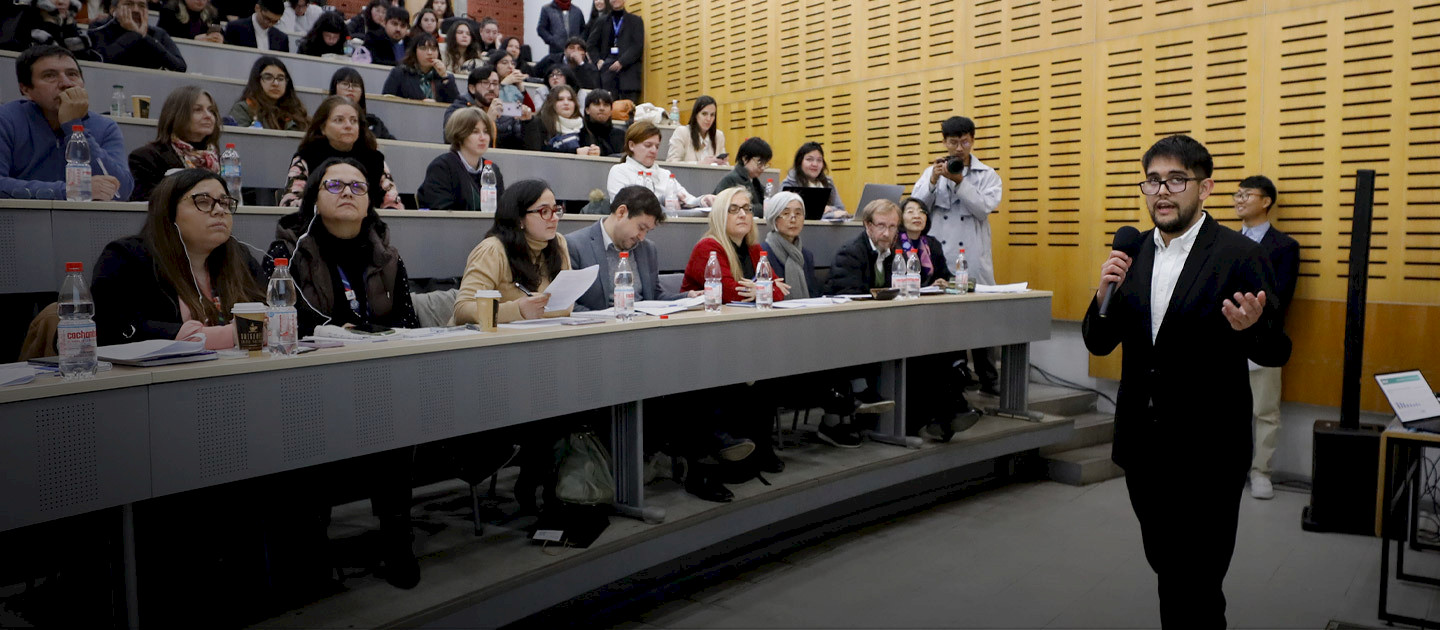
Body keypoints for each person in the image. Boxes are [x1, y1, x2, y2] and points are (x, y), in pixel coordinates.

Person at [1082, 135, 1290, 628]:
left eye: (1177, 179)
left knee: (1196, 577)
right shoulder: (1132, 254)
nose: (1162, 191)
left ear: (1206, 188)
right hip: (1143, 444)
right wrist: (1103, 289)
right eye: (1153, 180)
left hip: (1209, 448)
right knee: (1168, 565)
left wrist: (1251, 329)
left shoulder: (1238, 254)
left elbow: (1274, 349)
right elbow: (1097, 342)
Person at [265, 158, 421, 590]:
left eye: (358, 186)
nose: (348, 192)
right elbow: (283, 318)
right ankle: (311, 543)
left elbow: (408, 321)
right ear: (314, 195)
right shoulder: (287, 249)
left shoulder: (387, 254)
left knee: (397, 418)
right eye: (335, 185)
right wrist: (332, 332)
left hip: (376, 377)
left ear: (371, 200)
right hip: (307, 383)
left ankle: (396, 537)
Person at [92, 168, 264, 348]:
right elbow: (111, 330)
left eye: (225, 203)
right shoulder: (127, 257)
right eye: (203, 202)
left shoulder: (239, 257)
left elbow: (277, 318)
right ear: (168, 210)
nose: (220, 210)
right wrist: (231, 335)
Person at [909, 115, 1003, 396]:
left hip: (972, 254)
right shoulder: (930, 172)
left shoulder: (987, 174)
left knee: (981, 317)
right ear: (944, 142)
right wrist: (935, 180)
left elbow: (983, 208)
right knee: (947, 318)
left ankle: (989, 377)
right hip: (941, 254)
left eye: (964, 141)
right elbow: (916, 209)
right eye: (953, 142)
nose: (959, 148)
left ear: (972, 140)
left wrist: (960, 181)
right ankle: (956, 376)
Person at [1233, 174, 1299, 500]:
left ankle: (1261, 472)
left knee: (1265, 410)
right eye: (1237, 194)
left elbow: (1281, 295)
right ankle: (1229, 468)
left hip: (1264, 337)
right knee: (1225, 407)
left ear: (1266, 201)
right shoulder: (1223, 242)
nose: (1239, 199)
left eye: (1246, 194)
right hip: (1225, 338)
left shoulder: (1285, 246)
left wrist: (1250, 313)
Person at [0, 45, 132, 200]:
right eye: (50, 76)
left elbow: (120, 191)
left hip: (81, 221)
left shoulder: (105, 127)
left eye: (73, 74)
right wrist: (69, 191)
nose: (66, 83)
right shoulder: (6, 119)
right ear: (26, 89)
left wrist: (75, 127)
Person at [452, 179, 574, 324]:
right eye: (545, 211)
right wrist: (517, 310)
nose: (554, 218)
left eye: (556, 210)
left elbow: (567, 306)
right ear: (519, 219)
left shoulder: (558, 243)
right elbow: (462, 310)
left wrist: (537, 310)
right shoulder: (492, 250)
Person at [568, 184, 695, 311]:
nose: (642, 237)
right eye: (641, 228)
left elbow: (655, 297)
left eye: (647, 231)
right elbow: (568, 305)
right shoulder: (575, 246)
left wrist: (687, 297)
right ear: (621, 212)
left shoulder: (647, 249)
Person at [280, 96, 401, 209]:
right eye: (339, 120)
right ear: (323, 127)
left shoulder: (374, 159)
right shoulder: (307, 156)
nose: (348, 126)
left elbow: (392, 202)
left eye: (353, 121)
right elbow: (290, 203)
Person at [681, 186, 786, 304]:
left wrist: (759, 290)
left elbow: (781, 290)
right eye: (734, 209)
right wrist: (764, 290)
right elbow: (728, 294)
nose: (742, 214)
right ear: (720, 215)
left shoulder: (753, 248)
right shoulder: (707, 248)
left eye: (747, 209)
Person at [128, 86, 222, 201]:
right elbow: (151, 204)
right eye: (198, 110)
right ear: (177, 114)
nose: (208, 116)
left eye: (211, 110)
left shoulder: (218, 159)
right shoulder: (146, 157)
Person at [607, 121, 715, 208]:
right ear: (631, 145)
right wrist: (662, 200)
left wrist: (702, 200)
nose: (654, 150)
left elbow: (687, 199)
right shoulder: (619, 171)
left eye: (657, 146)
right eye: (648, 145)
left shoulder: (665, 175)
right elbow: (622, 206)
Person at [417, 106, 505, 210]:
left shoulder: (493, 169)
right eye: (475, 132)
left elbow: (503, 211)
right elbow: (441, 213)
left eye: (486, 132)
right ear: (459, 134)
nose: (483, 138)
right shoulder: (441, 168)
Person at [446, 65, 531, 150]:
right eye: (485, 83)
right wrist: (487, 120)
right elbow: (452, 141)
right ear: (472, 88)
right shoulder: (457, 109)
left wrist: (527, 123)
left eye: (495, 83)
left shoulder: (505, 110)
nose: (491, 88)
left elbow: (523, 147)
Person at [87, 0, 187, 71]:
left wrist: (146, 38)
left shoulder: (157, 33)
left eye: (141, 5)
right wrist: (134, 35)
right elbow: (102, 61)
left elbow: (180, 67)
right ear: (113, 10)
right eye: (128, 4)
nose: (136, 10)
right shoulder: (100, 27)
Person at [827, 199, 901, 295]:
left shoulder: (897, 254)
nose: (886, 233)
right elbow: (850, 295)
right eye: (881, 226)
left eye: (892, 227)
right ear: (868, 225)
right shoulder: (849, 254)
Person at [759, 191, 818, 299]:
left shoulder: (807, 255)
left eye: (798, 214)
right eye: (786, 214)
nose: (793, 219)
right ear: (774, 218)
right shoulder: (762, 254)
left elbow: (814, 294)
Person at [227, 56, 309, 131]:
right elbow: (241, 142)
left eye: (280, 78)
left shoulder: (296, 111)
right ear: (257, 81)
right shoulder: (243, 109)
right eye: (268, 78)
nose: (275, 83)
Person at [585, 0, 642, 101]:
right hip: (607, 75)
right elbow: (590, 45)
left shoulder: (635, 21)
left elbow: (637, 46)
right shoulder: (602, 21)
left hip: (628, 76)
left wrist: (621, 62)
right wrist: (597, 60)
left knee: (629, 112)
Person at [524, 85, 599, 155]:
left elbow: (588, 146)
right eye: (560, 99)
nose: (566, 103)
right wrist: (575, 152)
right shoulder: (539, 123)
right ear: (551, 103)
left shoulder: (582, 125)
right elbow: (538, 151)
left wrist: (593, 151)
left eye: (570, 99)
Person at [381, 32, 457, 102]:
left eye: (433, 49)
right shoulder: (400, 73)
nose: (429, 53)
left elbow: (456, 106)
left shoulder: (445, 77)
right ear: (414, 52)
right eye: (423, 48)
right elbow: (386, 100)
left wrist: (444, 77)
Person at [898, 196, 953, 288]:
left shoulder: (932, 244)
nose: (917, 216)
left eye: (922, 212)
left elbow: (945, 275)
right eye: (910, 212)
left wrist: (945, 283)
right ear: (900, 217)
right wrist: (928, 287)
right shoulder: (893, 244)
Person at [781, 142, 846, 219]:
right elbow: (793, 215)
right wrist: (829, 214)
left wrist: (830, 208)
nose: (815, 164)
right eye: (809, 159)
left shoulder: (828, 182)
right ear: (800, 162)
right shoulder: (789, 184)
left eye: (819, 160)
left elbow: (841, 209)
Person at [329, 67, 394, 140]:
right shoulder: (325, 119)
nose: (350, 89)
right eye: (345, 84)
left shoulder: (373, 122)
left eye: (355, 85)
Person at [712, 136, 769, 213]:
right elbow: (725, 208)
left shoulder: (754, 181)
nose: (762, 168)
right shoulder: (731, 180)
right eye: (759, 162)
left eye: (765, 164)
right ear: (745, 159)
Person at [667, 95, 726, 165]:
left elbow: (725, 166)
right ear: (695, 115)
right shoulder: (682, 132)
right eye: (704, 114)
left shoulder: (719, 136)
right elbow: (671, 163)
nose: (708, 119)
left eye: (712, 115)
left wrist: (722, 163)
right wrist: (700, 163)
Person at [533, 36, 599, 90]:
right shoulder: (550, 60)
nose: (575, 51)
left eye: (579, 49)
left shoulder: (590, 68)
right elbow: (534, 73)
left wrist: (580, 63)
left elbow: (592, 87)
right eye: (571, 48)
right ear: (565, 51)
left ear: (584, 54)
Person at [222, 0, 289, 51]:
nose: (270, 24)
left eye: (275, 21)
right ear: (257, 8)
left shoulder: (282, 38)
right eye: (267, 18)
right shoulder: (235, 28)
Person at [581, 88, 624, 155]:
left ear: (611, 111)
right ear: (587, 110)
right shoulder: (579, 134)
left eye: (606, 105)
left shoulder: (621, 135)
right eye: (597, 104)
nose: (602, 108)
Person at [157, 0, 224, 42]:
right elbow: (165, 38)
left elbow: (222, 35)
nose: (201, 1)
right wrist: (193, 40)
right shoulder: (169, 10)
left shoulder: (213, 13)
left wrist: (219, 39)